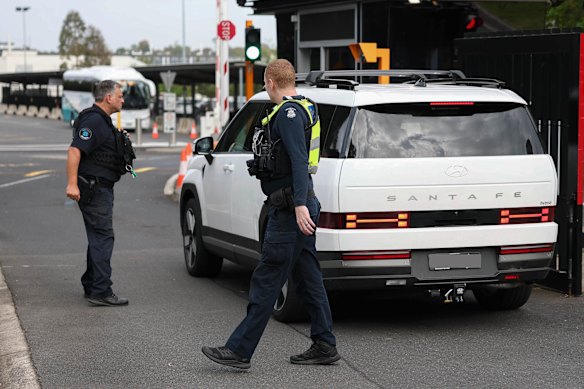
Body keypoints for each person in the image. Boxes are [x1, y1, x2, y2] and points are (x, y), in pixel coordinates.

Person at [202, 59, 339, 369]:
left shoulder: (289, 114)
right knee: (308, 277)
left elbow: (298, 159)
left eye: (265, 83)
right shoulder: (305, 106)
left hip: (291, 208)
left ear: (272, 83)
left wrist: (300, 204)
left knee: (267, 278)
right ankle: (324, 343)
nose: (265, 88)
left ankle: (239, 350)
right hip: (297, 203)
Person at [65, 80, 130, 307]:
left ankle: (92, 283)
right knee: (103, 237)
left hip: (99, 186)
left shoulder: (102, 121)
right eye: (120, 96)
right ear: (108, 98)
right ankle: (101, 291)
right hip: (94, 188)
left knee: (98, 237)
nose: (123, 100)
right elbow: (75, 150)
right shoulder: (94, 120)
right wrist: (72, 184)